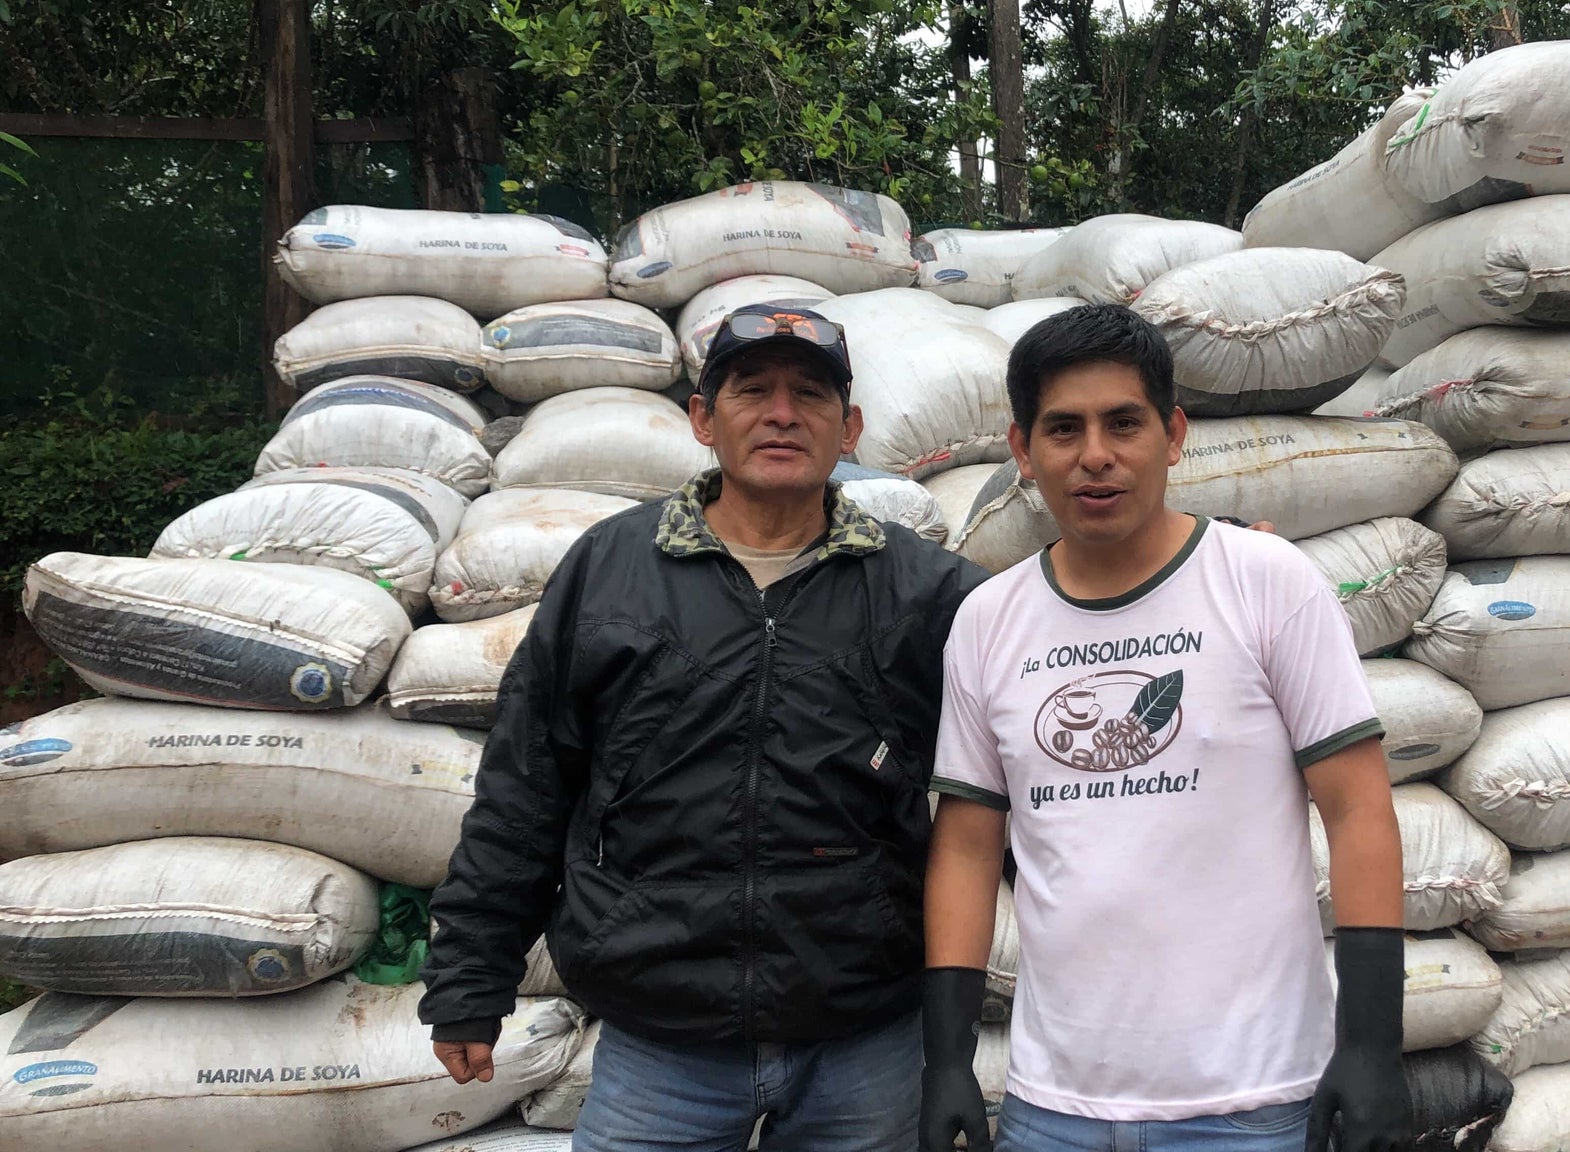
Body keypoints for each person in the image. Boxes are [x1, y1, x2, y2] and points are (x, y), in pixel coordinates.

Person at [419, 303, 985, 1152]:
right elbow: (527, 784)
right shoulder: (611, 570)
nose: (782, 413)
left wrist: (1208, 564)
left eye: (811, 395)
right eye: (751, 389)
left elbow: (1060, 666)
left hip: (865, 1035)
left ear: (850, 427)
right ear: (702, 419)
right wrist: (472, 975)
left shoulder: (924, 589)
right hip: (662, 1042)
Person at [918, 304, 1411, 1152]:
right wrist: (948, 1059)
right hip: (1052, 1109)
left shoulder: (1265, 582)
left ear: (1174, 434)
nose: (1096, 455)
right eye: (1063, 429)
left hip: (1252, 1102)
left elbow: (1359, 809)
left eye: (1124, 423)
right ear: (1022, 452)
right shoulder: (989, 621)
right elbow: (966, 845)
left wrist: (1371, 1045)